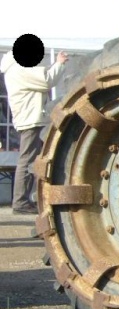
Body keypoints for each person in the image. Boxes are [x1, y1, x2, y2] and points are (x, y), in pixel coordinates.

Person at [0, 44, 68, 214]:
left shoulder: (14, 68)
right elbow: (46, 80)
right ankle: (20, 201)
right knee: (28, 160)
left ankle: (23, 200)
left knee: (28, 159)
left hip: (28, 118)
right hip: (31, 120)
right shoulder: (20, 69)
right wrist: (59, 63)